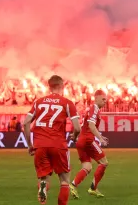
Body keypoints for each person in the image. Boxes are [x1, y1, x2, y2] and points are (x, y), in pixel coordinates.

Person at [22, 75, 80, 205]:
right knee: (64, 180)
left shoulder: (38, 102)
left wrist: (30, 145)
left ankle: (43, 188)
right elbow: (77, 127)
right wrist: (75, 136)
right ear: (62, 86)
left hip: (40, 145)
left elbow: (25, 123)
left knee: (44, 179)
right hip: (58, 145)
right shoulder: (67, 103)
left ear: (49, 86)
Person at [70, 90, 110, 199]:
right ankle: (93, 188)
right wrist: (100, 138)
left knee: (87, 167)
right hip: (88, 140)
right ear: (96, 98)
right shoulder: (94, 108)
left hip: (81, 140)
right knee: (104, 162)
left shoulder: (91, 109)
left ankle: (73, 185)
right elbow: (91, 126)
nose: (105, 101)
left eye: (106, 99)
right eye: (103, 99)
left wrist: (75, 136)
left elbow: (84, 125)